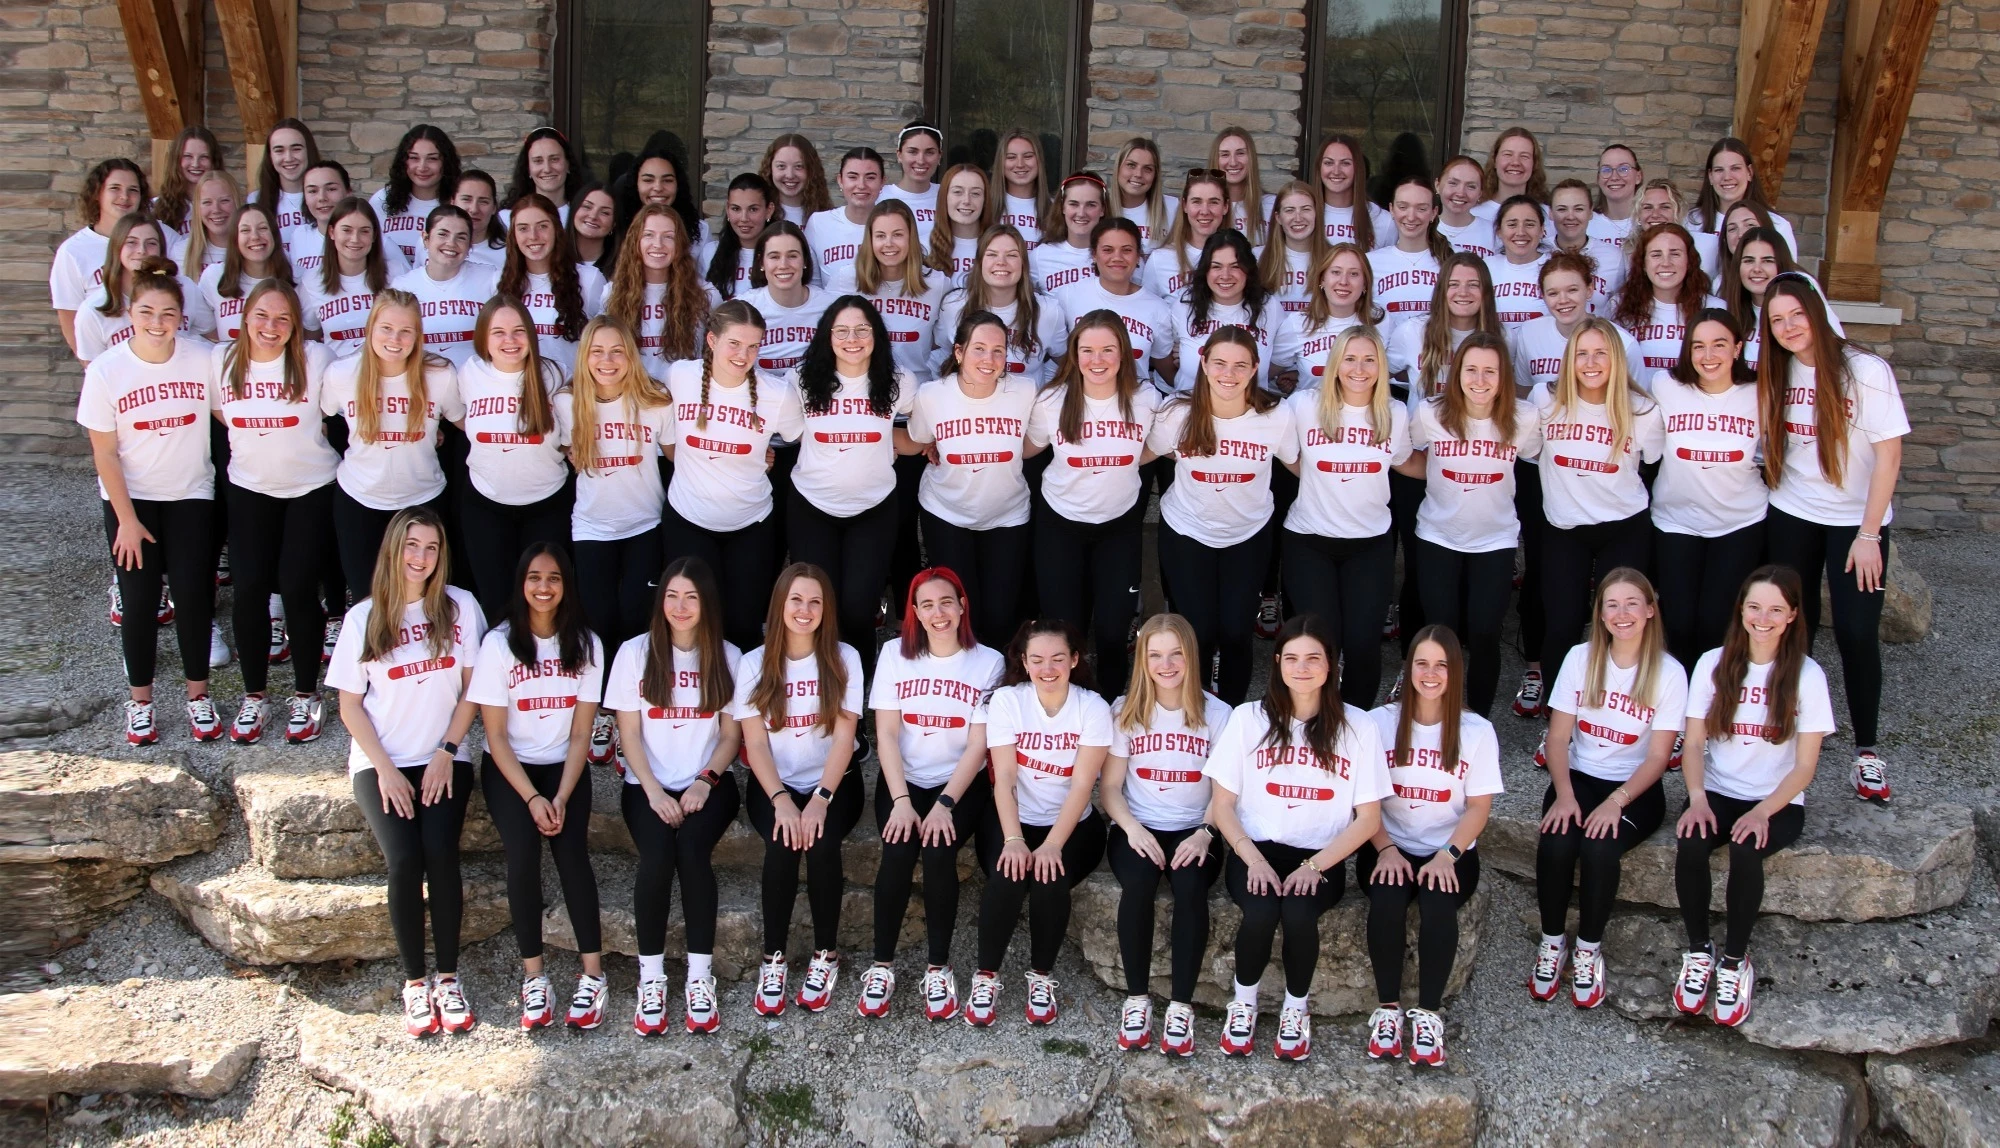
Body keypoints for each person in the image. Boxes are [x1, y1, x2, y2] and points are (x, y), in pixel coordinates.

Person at [326, 506, 486, 1038]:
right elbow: (350, 708)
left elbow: (472, 691)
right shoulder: (363, 618)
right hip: (381, 761)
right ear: (394, 550)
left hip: (445, 756)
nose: (421, 558)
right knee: (404, 859)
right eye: (412, 546)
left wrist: (446, 749)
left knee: (440, 853)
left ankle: (448, 978)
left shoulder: (460, 607)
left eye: (431, 548)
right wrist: (387, 771)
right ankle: (414, 984)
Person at [1207, 615, 1389, 1060]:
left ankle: (1295, 1009)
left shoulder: (1358, 727)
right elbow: (1222, 804)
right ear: (1277, 663)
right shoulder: (1248, 719)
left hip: (1321, 855)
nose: (1302, 668)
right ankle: (1244, 1005)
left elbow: (1368, 819)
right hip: (1254, 849)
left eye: (1313, 658)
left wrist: (1315, 866)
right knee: (1261, 909)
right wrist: (1252, 859)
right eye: (1292, 658)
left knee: (1299, 912)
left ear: (1332, 666)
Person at [1758, 277, 1907, 803]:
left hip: (1855, 522)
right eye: (1777, 320)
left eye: (1796, 313)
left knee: (1858, 632)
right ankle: (1790, 727)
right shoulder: (1778, 370)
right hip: (1793, 511)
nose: (1789, 327)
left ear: (1817, 311)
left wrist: (1869, 534)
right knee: (1794, 628)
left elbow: (1888, 456)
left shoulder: (1864, 371)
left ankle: (1866, 751)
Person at [1672, 565, 1833, 1025]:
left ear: (1792, 616)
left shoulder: (1807, 675)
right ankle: (1699, 951)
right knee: (1691, 841)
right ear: (1741, 609)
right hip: (1718, 791)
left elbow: (1805, 767)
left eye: (1775, 610)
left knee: (1746, 849)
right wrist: (1697, 796)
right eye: (1755, 606)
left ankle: (1735, 961)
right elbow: (1696, 744)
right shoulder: (1712, 663)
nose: (1763, 618)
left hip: (1777, 799)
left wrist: (1764, 811)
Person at [465, 543, 607, 1030]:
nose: (543, 587)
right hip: (512, 771)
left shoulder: (587, 644)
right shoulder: (498, 644)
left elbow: (581, 734)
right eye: (534, 577)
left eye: (554, 578)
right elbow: (496, 735)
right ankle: (534, 978)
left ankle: (593, 976)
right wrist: (532, 797)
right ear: (521, 583)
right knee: (522, 854)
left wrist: (562, 795)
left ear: (567, 586)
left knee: (572, 857)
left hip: (563, 769)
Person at [78, 267, 220, 746]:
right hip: (131, 500)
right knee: (138, 602)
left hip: (190, 494)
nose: (157, 322)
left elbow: (229, 414)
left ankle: (198, 697)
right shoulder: (106, 370)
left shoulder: (203, 358)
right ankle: (140, 702)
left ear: (182, 317)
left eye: (168, 313)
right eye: (146, 312)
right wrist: (127, 520)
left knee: (193, 596)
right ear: (129, 313)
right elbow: (104, 452)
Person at [856, 568, 1006, 1020]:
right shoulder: (894, 656)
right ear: (915, 614)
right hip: (905, 778)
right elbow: (884, 734)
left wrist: (945, 804)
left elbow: (980, 746)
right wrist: (902, 801)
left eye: (946, 602)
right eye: (927, 605)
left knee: (939, 852)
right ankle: (882, 965)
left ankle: (937, 967)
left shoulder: (988, 661)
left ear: (962, 605)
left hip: (959, 782)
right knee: (898, 849)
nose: (938, 613)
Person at [1532, 569, 1686, 1008]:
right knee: (1558, 840)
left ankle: (1588, 950)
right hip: (1578, 776)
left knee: (1600, 847)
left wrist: (1616, 802)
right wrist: (1564, 793)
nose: (1622, 614)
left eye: (1632, 603)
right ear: (1600, 614)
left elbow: (1659, 757)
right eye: (1611, 605)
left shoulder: (1669, 673)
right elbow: (1558, 738)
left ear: (1650, 611)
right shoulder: (1580, 659)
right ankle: (1551, 942)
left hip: (1635, 787)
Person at [603, 557, 743, 1036]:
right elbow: (629, 736)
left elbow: (729, 737)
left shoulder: (729, 656)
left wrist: (705, 780)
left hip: (710, 784)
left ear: (706, 603)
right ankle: (653, 979)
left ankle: (700, 978)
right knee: (658, 856)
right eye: (671, 596)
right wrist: (654, 790)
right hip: (647, 784)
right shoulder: (633, 654)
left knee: (693, 852)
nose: (680, 607)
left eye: (691, 597)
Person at [1363, 626, 1501, 1066]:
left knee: (1439, 904)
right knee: (1387, 899)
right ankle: (1387, 1012)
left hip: (1451, 848)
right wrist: (1386, 849)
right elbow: (1363, 800)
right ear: (1408, 668)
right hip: (1388, 842)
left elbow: (1479, 808)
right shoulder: (1379, 722)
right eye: (1421, 663)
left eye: (1441, 664)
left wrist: (1449, 854)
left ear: (1455, 672)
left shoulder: (1477, 731)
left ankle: (1428, 1015)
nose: (1430, 673)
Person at [965, 619, 1113, 1026]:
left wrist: (1051, 844)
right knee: (1008, 872)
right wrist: (1014, 838)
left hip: (1073, 825)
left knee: (1051, 874)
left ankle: (1041, 977)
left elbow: (1084, 784)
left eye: (1058, 658)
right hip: (1013, 817)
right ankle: (986, 976)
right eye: (1038, 660)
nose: (1048, 668)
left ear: (1075, 660)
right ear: (1024, 663)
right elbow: (1006, 777)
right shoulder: (1009, 701)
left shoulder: (1093, 708)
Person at [210, 280, 338, 744]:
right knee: (248, 591)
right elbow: (220, 411)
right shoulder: (222, 361)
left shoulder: (315, 359)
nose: (271, 326)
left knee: (299, 587)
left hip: (310, 487)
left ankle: (307, 693)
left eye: (283, 318)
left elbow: (357, 387)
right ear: (245, 318)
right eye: (262, 316)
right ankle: (255, 695)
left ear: (295, 325)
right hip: (250, 488)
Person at [736, 564, 868, 1015]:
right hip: (774, 783)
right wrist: (782, 803)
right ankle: (773, 958)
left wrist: (819, 801)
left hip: (834, 784)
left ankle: (825, 954)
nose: (805, 610)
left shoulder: (844, 657)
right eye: (796, 600)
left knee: (823, 842)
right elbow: (754, 742)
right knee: (781, 843)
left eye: (815, 601)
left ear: (826, 609)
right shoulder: (754, 663)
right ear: (780, 604)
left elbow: (846, 739)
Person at [1146, 327, 1299, 703]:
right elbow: (1146, 453)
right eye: (1219, 363)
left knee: (1234, 632)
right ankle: (1194, 714)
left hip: (1248, 535)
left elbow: (1298, 466)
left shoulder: (1276, 416)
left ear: (1255, 368)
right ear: (1203, 363)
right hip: (1187, 532)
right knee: (1197, 632)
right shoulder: (1177, 414)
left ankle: (1228, 713)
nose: (1228, 374)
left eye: (1239, 365)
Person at [1100, 614, 1231, 1054]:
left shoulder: (1218, 713)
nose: (1166, 663)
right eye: (1155, 654)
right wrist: (1131, 828)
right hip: (1138, 826)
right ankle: (1138, 1001)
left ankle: (1180, 1006)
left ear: (1191, 656)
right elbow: (1111, 788)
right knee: (1138, 886)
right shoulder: (1125, 710)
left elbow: (1225, 792)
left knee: (1191, 889)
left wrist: (1207, 832)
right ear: (1142, 659)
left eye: (1176, 653)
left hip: (1198, 829)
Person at [1405, 333, 1540, 717]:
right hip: (1438, 534)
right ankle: (1435, 715)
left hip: (1494, 540)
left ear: (1504, 378)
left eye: (1490, 372)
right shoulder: (1431, 412)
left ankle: (1477, 719)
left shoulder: (1524, 417)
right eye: (1471, 370)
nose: (1480, 380)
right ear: (1457, 373)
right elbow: (1410, 456)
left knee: (1484, 633)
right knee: (1439, 632)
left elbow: (1530, 459)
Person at [661, 297, 806, 649]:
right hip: (689, 520)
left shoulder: (776, 394)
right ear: (712, 341)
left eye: (753, 346)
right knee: (693, 624)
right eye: (735, 344)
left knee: (743, 623)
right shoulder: (680, 377)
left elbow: (804, 437)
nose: (744, 355)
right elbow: (668, 439)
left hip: (750, 525)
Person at [1025, 310, 1157, 695]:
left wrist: (1120, 460)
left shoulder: (1145, 398)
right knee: (1065, 633)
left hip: (1119, 526)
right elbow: (1028, 448)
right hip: (1061, 525)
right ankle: (1071, 712)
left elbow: (1156, 447)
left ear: (1124, 353)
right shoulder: (1052, 400)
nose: (1097, 360)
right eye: (1087, 350)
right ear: (1074, 353)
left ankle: (1114, 708)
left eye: (1107, 350)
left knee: (1115, 633)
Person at [560, 316, 672, 764]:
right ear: (584, 357)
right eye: (597, 352)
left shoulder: (654, 402)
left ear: (632, 356)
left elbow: (682, 456)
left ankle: (634, 715)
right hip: (592, 527)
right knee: (598, 620)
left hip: (645, 523)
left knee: (634, 619)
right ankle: (604, 711)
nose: (607, 361)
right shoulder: (567, 405)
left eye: (617, 351)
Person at [1282, 326, 1410, 708]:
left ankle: (1355, 725)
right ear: (1335, 364)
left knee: (1363, 641)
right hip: (1309, 539)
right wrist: (1325, 481)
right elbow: (1289, 456)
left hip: (1369, 542)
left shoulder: (1396, 412)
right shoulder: (1304, 405)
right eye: (1350, 359)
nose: (1359, 368)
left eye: (1369, 359)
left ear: (1381, 366)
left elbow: (1405, 462)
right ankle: (1311, 720)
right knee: (1319, 641)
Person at [1535, 317, 1664, 690]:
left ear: (1617, 359)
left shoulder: (1642, 410)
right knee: (1562, 622)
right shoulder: (1546, 399)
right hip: (1564, 527)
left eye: (1601, 354)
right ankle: (1557, 708)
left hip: (1623, 527)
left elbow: (1652, 462)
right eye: (1582, 354)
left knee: (1621, 623)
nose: (1591, 363)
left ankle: (1617, 702)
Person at [784, 297, 915, 660]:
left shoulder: (899, 382)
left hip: (873, 509)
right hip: (812, 506)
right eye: (841, 330)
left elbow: (915, 430)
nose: (852, 338)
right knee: (818, 607)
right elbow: (792, 435)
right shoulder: (800, 379)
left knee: (859, 608)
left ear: (877, 335)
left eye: (862, 329)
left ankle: (855, 701)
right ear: (827, 335)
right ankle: (819, 691)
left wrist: (922, 445)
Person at [321, 290, 464, 593]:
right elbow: (319, 418)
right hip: (360, 499)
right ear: (370, 327)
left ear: (418, 335)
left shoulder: (440, 375)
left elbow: (465, 423)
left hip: (422, 499)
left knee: (424, 598)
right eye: (386, 328)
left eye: (405, 331)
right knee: (366, 599)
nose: (395, 339)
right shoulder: (342, 374)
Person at [907, 310, 1036, 643]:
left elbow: (1033, 442)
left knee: (1001, 614)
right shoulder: (932, 395)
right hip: (946, 512)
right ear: (959, 352)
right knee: (961, 612)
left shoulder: (1024, 392)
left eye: (998, 350)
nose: (989, 359)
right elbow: (921, 439)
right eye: (979, 348)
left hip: (1007, 515)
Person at [1652, 309, 1766, 670]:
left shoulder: (1760, 393)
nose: (1708, 355)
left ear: (1737, 348)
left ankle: (1713, 705)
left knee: (1717, 622)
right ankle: (1677, 711)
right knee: (1679, 621)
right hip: (1676, 520)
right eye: (1698, 346)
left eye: (1719, 345)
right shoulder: (1665, 386)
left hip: (1739, 522)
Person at [454, 295, 571, 619]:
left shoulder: (553, 374)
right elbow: (458, 417)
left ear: (531, 335)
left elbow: (571, 436)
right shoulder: (470, 373)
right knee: (496, 602)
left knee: (545, 603)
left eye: (519, 331)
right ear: (483, 338)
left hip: (547, 505)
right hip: (486, 504)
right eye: (498, 332)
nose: (510, 340)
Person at [825, 200, 947, 380]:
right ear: (870, 239)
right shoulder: (847, 280)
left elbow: (947, 345)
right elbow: (826, 337)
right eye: (880, 236)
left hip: (915, 392)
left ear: (911, 237)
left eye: (897, 235)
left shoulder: (937, 284)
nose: (888, 243)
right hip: (864, 394)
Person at [931, 225, 1068, 384]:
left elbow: (1064, 362)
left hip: (1025, 406)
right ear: (980, 262)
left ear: (1023, 264)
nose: (1001, 262)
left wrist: (1047, 392)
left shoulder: (1047, 311)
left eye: (1011, 255)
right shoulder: (954, 305)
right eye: (992, 254)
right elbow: (940, 354)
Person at [1051, 218, 1173, 384]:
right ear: (1094, 254)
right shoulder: (1068, 295)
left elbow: (1164, 365)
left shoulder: (1158, 308)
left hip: (1135, 401)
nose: (1117, 257)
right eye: (1108, 250)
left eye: (1127, 250)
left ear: (1138, 256)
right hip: (1082, 399)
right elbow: (1057, 352)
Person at [74, 219, 212, 364]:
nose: (141, 250)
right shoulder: (92, 309)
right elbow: (94, 372)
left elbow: (212, 337)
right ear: (116, 247)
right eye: (131, 242)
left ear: (161, 249)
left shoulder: (185, 288)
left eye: (151, 243)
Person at [1166, 231, 1283, 395]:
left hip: (1250, 412)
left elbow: (1278, 360)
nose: (1225, 275)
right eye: (1216, 266)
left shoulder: (1269, 306)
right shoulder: (1185, 304)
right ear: (1205, 270)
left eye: (1235, 266)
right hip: (1191, 407)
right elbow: (1163, 352)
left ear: (1248, 269)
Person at [604, 202, 714, 375]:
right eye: (648, 235)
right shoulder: (613, 292)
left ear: (679, 244)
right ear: (636, 241)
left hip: (682, 397)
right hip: (633, 396)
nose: (658, 244)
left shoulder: (704, 294)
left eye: (668, 237)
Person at [500, 193, 604, 373]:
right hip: (519, 393)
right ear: (513, 235)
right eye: (523, 228)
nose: (533, 236)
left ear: (556, 229)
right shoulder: (499, 283)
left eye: (542, 226)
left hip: (571, 393)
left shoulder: (590, 279)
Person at [391, 206, 500, 366]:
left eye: (461, 237)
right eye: (443, 234)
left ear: (470, 245)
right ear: (426, 239)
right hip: (423, 382)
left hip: (477, 384)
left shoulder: (491, 278)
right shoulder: (402, 285)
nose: (451, 243)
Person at [1612, 223, 1722, 376]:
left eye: (1675, 254)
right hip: (1636, 399)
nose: (1665, 263)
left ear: (1689, 261)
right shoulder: (1619, 305)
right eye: (1656, 254)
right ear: (1643, 264)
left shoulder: (1715, 309)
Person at [298, 197, 399, 357]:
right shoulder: (312, 281)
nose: (355, 239)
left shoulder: (395, 274)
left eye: (364, 231)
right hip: (336, 376)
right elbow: (310, 340)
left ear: (374, 235)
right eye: (346, 230)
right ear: (332, 232)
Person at [1273, 243, 1379, 387]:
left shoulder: (1380, 321)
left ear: (1366, 283)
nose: (1343, 281)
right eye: (1336, 272)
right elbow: (1267, 374)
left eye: (1353, 274)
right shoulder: (1297, 323)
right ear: (1322, 279)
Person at [1686, 138, 1799, 263]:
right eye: (1719, 170)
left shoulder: (1777, 225)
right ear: (1710, 176)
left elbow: (1787, 277)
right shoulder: (1692, 222)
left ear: (1749, 172)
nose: (1727, 177)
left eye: (1735, 168)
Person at [740, 221, 831, 374]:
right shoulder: (744, 309)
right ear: (761, 262)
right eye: (774, 256)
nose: (783, 264)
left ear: (805, 261)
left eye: (792, 256)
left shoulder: (831, 307)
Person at [198, 203, 293, 344]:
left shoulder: (297, 277)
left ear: (274, 235)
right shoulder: (214, 276)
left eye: (262, 228)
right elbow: (206, 330)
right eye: (245, 230)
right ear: (235, 239)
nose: (255, 236)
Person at [371, 124, 460, 267]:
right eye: (414, 158)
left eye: (432, 159)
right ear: (403, 161)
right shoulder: (381, 200)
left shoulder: (457, 203)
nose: (422, 167)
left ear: (446, 162)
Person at [1371, 175, 1448, 329]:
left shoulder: (1450, 261)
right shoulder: (1370, 263)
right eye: (1403, 207)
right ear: (1392, 209)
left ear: (1434, 213)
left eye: (1421, 208)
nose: (1411, 217)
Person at [806, 147, 886, 287]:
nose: (861, 185)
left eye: (870, 177)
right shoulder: (819, 223)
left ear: (882, 182)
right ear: (840, 180)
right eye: (852, 177)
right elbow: (812, 284)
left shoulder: (893, 225)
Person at [1142, 169, 1228, 298]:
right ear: (1184, 205)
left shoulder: (1240, 257)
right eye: (1196, 201)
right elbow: (1148, 311)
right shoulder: (1160, 260)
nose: (1204, 211)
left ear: (1225, 207)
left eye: (1213, 202)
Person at [700, 173, 778, 302]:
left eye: (753, 209)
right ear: (727, 209)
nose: (744, 218)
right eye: (736, 209)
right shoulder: (711, 252)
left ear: (769, 210)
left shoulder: (781, 254)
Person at [1029, 172, 1109, 294]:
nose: (1081, 213)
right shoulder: (1040, 256)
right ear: (1062, 207)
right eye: (1073, 204)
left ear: (1102, 209)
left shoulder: (1116, 255)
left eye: (1091, 205)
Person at [1258, 181, 1329, 317]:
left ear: (1317, 213)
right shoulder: (1257, 258)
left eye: (1306, 209)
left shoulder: (1333, 258)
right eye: (1289, 210)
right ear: (1278, 217)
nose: (1298, 218)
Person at [252, 118, 322, 253]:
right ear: (270, 156)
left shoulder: (328, 198)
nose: (289, 158)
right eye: (279, 150)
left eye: (296, 149)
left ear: (309, 151)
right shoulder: (255, 200)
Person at [1484, 196, 1551, 334]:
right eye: (1512, 224)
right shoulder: (1485, 268)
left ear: (1542, 229)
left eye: (1530, 224)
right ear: (1499, 230)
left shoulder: (1557, 267)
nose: (1521, 232)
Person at [1314, 134, 1390, 249]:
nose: (1336, 171)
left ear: (1357, 168)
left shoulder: (1382, 220)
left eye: (1345, 163)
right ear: (1319, 167)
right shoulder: (1304, 214)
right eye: (1328, 163)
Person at [925, 163, 994, 285]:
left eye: (975, 193)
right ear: (944, 197)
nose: (966, 200)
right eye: (957, 192)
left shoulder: (999, 246)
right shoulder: (924, 246)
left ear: (985, 200)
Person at [879, 120, 944, 244]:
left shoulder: (949, 195)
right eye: (912, 152)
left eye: (929, 152)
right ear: (899, 155)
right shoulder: (880, 196)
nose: (921, 160)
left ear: (939, 157)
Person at [152, 126, 222, 239]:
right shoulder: (156, 207)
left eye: (204, 157)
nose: (195, 164)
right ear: (176, 160)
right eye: (188, 156)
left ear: (214, 161)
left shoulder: (226, 207)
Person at [168, 170, 240, 278]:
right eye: (207, 202)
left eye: (224, 201)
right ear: (197, 208)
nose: (216, 209)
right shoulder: (181, 252)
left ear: (237, 202)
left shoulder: (251, 250)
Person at [1474, 128, 1551, 231]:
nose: (1515, 162)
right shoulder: (1474, 214)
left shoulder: (1549, 217)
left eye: (1524, 156)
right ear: (1494, 160)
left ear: (1534, 164)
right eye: (1508, 154)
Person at [502, 126, 584, 222]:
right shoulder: (507, 218)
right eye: (538, 161)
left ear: (568, 164)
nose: (547, 169)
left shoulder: (584, 216)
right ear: (528, 169)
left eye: (554, 159)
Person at [1110, 138, 1176, 251]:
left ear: (1155, 175)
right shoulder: (1101, 208)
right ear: (1118, 168)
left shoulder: (1173, 207)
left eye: (1148, 169)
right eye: (1131, 165)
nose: (1138, 174)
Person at [1210, 128, 1272, 245]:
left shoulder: (1272, 205)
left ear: (1251, 158)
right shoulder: (1204, 208)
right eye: (1224, 154)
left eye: (1240, 153)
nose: (1233, 162)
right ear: (1215, 160)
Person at [989, 131, 1049, 246]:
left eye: (1028, 156)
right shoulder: (986, 206)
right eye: (1011, 157)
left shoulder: (1055, 209)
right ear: (1000, 163)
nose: (1020, 164)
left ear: (1039, 160)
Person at [760, 132, 833, 226]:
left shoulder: (827, 216)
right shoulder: (759, 214)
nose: (790, 175)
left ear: (811, 170)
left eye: (799, 166)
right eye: (781, 166)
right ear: (770, 169)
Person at [1434, 156, 1496, 258]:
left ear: (1480, 193)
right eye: (1453, 183)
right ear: (1437, 185)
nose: (1461, 193)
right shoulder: (1423, 229)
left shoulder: (1493, 233)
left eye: (1471, 186)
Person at [451, 169, 509, 270]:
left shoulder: (508, 253)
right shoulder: (432, 244)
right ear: (453, 202)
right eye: (466, 199)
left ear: (494, 207)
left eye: (483, 201)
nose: (474, 209)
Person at [1589, 144, 1643, 249]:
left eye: (1623, 169)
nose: (1614, 177)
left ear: (1638, 177)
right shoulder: (1586, 224)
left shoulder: (1651, 219)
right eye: (1606, 170)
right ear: (1598, 178)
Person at [565, 181, 618, 275]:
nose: (593, 216)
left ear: (614, 223)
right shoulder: (553, 258)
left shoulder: (621, 268)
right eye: (587, 207)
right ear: (574, 210)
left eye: (605, 212)